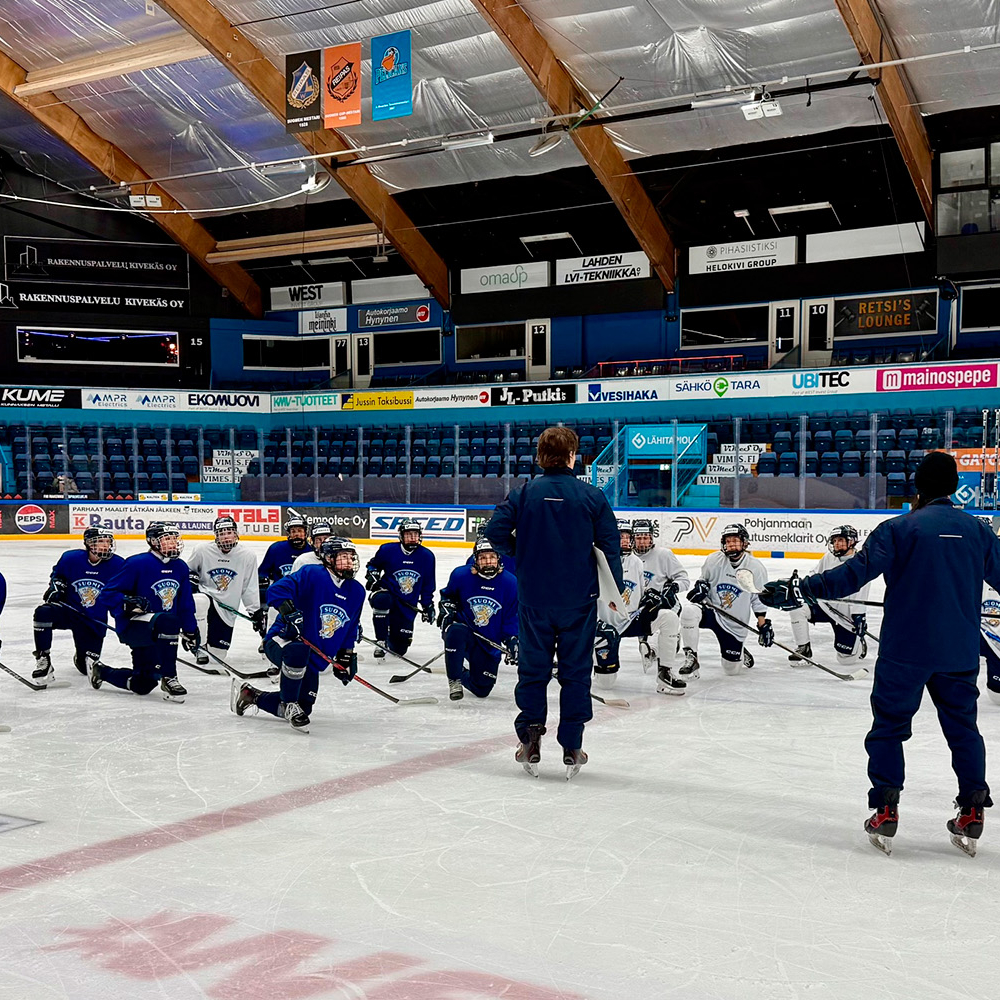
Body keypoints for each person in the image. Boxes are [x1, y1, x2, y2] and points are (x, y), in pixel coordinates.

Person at [761, 451, 1000, 856]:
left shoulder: (899, 529)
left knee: (889, 729)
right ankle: (972, 812)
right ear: (954, 485)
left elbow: (852, 574)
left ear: (918, 487)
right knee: (964, 731)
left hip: (904, 651)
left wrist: (804, 588)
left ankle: (886, 810)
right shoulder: (978, 532)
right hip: (958, 652)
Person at [486, 424, 623, 779]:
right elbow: (610, 548)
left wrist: (522, 557)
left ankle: (530, 739)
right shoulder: (591, 496)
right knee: (576, 673)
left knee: (533, 671)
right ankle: (572, 744)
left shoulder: (525, 493)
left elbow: (495, 533)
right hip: (578, 600)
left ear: (540, 457)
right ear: (573, 457)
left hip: (534, 598)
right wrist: (614, 592)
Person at [233, 537, 363, 733]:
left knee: (305, 707)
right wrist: (289, 611)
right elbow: (277, 589)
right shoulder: (312, 573)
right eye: (343, 557)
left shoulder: (357, 591)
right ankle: (290, 703)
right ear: (328, 558)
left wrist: (346, 655)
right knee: (297, 651)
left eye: (351, 557)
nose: (349, 562)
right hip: (283, 640)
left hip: (314, 654)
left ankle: (250, 695)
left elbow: (351, 625)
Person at [94, 522, 198, 702]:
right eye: (167, 539)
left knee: (143, 684)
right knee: (169, 621)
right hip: (134, 626)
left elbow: (185, 602)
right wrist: (126, 601)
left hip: (161, 631)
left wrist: (190, 629)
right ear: (153, 542)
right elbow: (106, 595)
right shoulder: (137, 563)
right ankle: (170, 677)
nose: (173, 543)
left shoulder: (180, 566)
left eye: (174, 539)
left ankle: (101, 671)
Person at [679, 523, 773, 677]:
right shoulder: (714, 560)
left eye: (735, 541)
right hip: (712, 611)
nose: (731, 545)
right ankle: (691, 657)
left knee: (731, 670)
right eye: (728, 541)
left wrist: (763, 624)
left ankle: (740, 650)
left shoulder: (755, 567)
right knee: (689, 611)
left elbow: (758, 599)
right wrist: (701, 588)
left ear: (744, 543)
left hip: (733, 623)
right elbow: (704, 581)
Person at [31, 527, 124, 683]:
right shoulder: (70, 558)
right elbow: (58, 575)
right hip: (69, 611)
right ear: (88, 543)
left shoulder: (118, 564)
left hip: (93, 619)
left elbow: (123, 591)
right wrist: (56, 586)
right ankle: (43, 658)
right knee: (43, 612)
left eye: (108, 541)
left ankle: (80, 655)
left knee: (85, 667)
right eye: (100, 541)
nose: (105, 545)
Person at [438, 538, 518, 701]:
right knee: (456, 631)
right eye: (483, 558)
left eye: (492, 557)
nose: (488, 562)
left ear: (498, 559)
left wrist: (512, 639)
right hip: (465, 633)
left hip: (488, 641)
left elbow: (511, 617)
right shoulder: (461, 575)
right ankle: (454, 679)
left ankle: (459, 669)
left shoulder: (511, 582)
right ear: (475, 560)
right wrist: (447, 608)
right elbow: (448, 596)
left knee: (482, 688)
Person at [186, 515, 265, 665]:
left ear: (236, 534)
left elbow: (249, 586)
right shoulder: (202, 550)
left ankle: (209, 645)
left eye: (229, 532)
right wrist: (191, 581)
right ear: (216, 536)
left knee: (218, 655)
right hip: (206, 598)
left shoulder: (247, 556)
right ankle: (199, 646)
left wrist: (254, 611)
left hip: (227, 608)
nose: (226, 537)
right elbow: (186, 572)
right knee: (200, 601)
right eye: (221, 533)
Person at [786, 525, 869, 666]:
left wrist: (859, 616)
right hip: (824, 607)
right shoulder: (828, 557)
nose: (836, 544)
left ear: (851, 541)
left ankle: (857, 644)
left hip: (845, 614)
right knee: (797, 608)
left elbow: (862, 593)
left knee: (846, 660)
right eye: (834, 540)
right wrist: (803, 587)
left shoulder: (860, 562)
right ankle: (804, 649)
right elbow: (814, 576)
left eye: (840, 540)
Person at [630, 517, 690, 686]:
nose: (643, 541)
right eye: (639, 537)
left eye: (646, 537)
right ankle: (649, 647)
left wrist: (674, 587)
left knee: (665, 637)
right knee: (646, 635)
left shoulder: (663, 555)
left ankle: (658, 647)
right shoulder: (628, 557)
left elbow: (684, 579)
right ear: (633, 538)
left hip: (666, 603)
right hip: (642, 607)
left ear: (652, 538)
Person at [365, 518, 435, 659]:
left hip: (407, 604)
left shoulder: (427, 556)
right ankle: (381, 640)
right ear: (401, 536)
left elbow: (428, 584)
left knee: (399, 649)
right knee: (382, 600)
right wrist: (373, 575)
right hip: (387, 594)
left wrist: (428, 605)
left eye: (415, 534)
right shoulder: (387, 550)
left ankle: (390, 631)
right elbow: (373, 565)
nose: (412, 538)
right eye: (409, 534)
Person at [258, 515, 310, 605]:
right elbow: (262, 573)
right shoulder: (276, 549)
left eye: (300, 531)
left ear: (305, 533)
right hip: (280, 597)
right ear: (289, 534)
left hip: (305, 598)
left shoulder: (312, 552)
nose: (296, 534)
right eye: (293, 531)